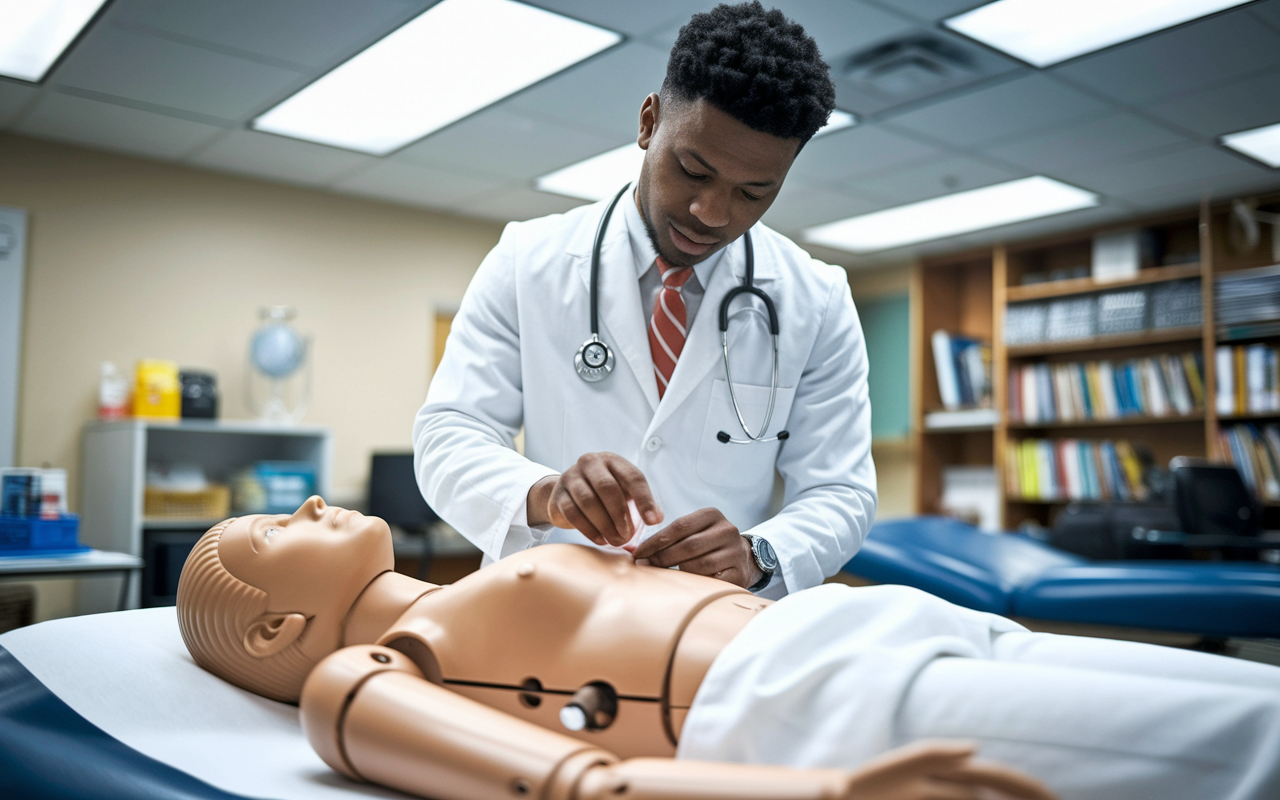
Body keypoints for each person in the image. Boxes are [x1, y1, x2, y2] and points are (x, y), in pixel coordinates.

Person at [177, 498, 1280, 800]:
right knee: (1246, 742)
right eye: (270, 531)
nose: (310, 500)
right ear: (277, 627)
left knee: (1253, 694)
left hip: (864, 619)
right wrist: (825, 790)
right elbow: (577, 781)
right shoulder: (362, 673)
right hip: (794, 696)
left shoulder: (474, 579)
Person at [414, 2, 875, 598]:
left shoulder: (817, 300)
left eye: (753, 193)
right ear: (649, 123)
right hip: (545, 610)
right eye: (692, 170)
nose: (711, 213)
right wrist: (545, 494)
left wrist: (759, 554)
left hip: (711, 626)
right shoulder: (528, 259)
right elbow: (449, 435)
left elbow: (842, 492)